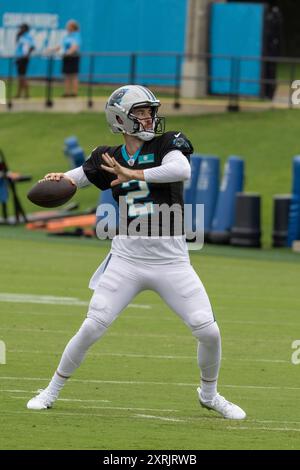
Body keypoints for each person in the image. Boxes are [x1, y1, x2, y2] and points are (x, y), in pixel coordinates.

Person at [27, 85, 246, 420]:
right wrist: (62, 179)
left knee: (208, 330)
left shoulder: (167, 143)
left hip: (171, 259)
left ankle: (209, 394)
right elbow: (77, 178)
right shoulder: (107, 156)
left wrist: (134, 174)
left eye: (149, 111)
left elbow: (181, 170)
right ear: (119, 119)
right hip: (127, 257)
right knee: (92, 326)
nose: (148, 117)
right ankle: (50, 391)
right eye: (140, 112)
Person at [47, 20, 81, 97]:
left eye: (68, 26)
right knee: (67, 75)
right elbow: (60, 46)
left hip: (73, 57)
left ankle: (74, 93)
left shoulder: (76, 35)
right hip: (66, 57)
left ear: (72, 27)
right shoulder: (67, 36)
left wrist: (69, 52)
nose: (67, 27)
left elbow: (75, 46)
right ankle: (67, 92)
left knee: (73, 75)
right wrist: (51, 49)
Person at [14, 23, 35, 98]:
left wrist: (26, 55)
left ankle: (26, 94)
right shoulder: (20, 36)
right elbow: (18, 46)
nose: (20, 29)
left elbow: (32, 47)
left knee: (22, 77)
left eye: (21, 28)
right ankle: (19, 94)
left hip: (23, 58)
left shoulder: (28, 36)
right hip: (19, 58)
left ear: (25, 29)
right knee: (20, 77)